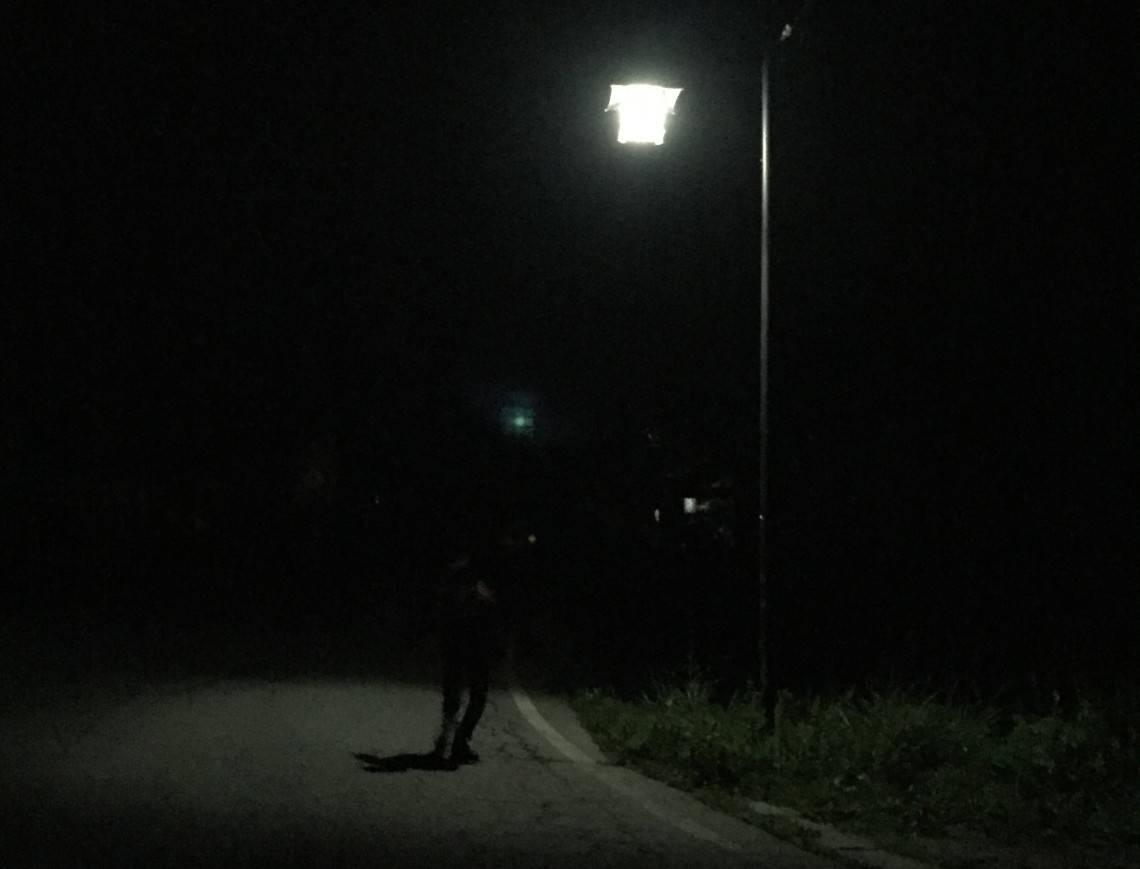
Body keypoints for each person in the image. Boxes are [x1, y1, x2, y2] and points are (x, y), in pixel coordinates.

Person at [432, 543, 503, 765]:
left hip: (454, 644)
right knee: (477, 696)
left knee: (454, 694)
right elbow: (493, 619)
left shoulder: (451, 581)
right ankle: (459, 741)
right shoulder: (480, 589)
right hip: (474, 647)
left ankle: (448, 737)